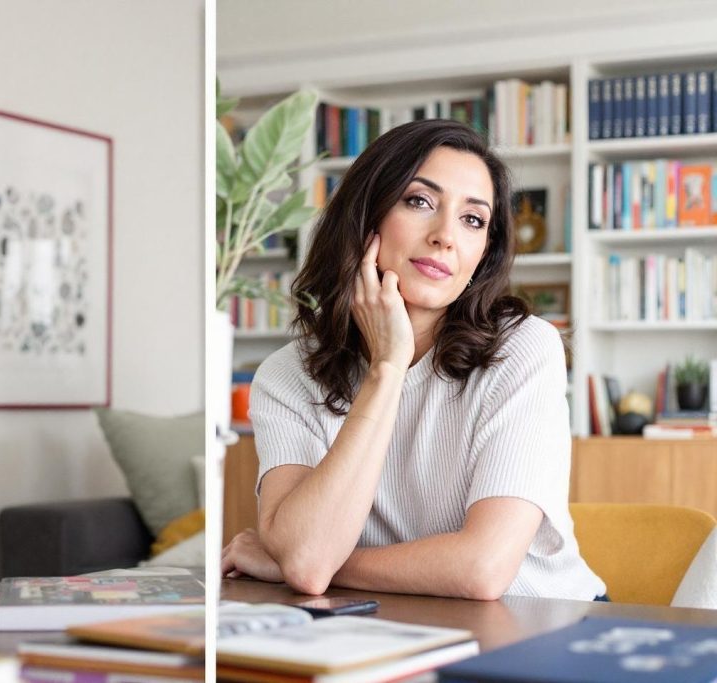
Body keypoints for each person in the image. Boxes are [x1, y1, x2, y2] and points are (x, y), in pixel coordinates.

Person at [220, 119, 605, 601]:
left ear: (483, 253)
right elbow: (308, 560)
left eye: (473, 219)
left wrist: (297, 565)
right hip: (394, 624)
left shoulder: (524, 348)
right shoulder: (287, 375)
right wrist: (386, 369)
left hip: (545, 627)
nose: (446, 236)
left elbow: (481, 570)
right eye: (419, 201)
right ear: (366, 217)